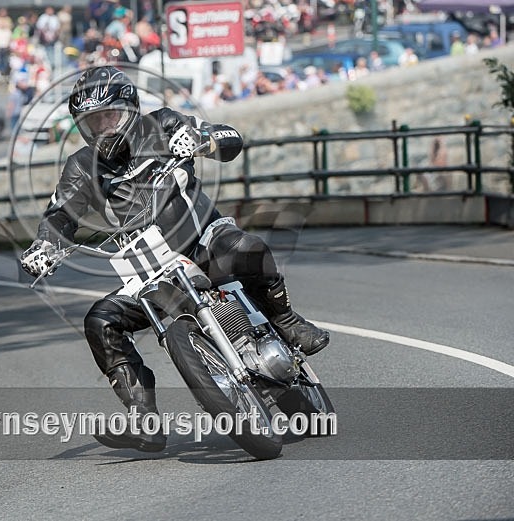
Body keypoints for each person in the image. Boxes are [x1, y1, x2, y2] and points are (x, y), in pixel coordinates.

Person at [19, 66, 330, 452]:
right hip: (150, 269)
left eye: (108, 117)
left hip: (204, 238)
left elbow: (229, 138)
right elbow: (59, 215)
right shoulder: (81, 167)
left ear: (129, 109)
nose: (103, 129)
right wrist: (44, 247)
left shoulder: (163, 123)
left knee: (248, 249)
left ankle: (286, 319)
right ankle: (143, 418)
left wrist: (201, 140)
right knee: (101, 320)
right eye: (92, 123)